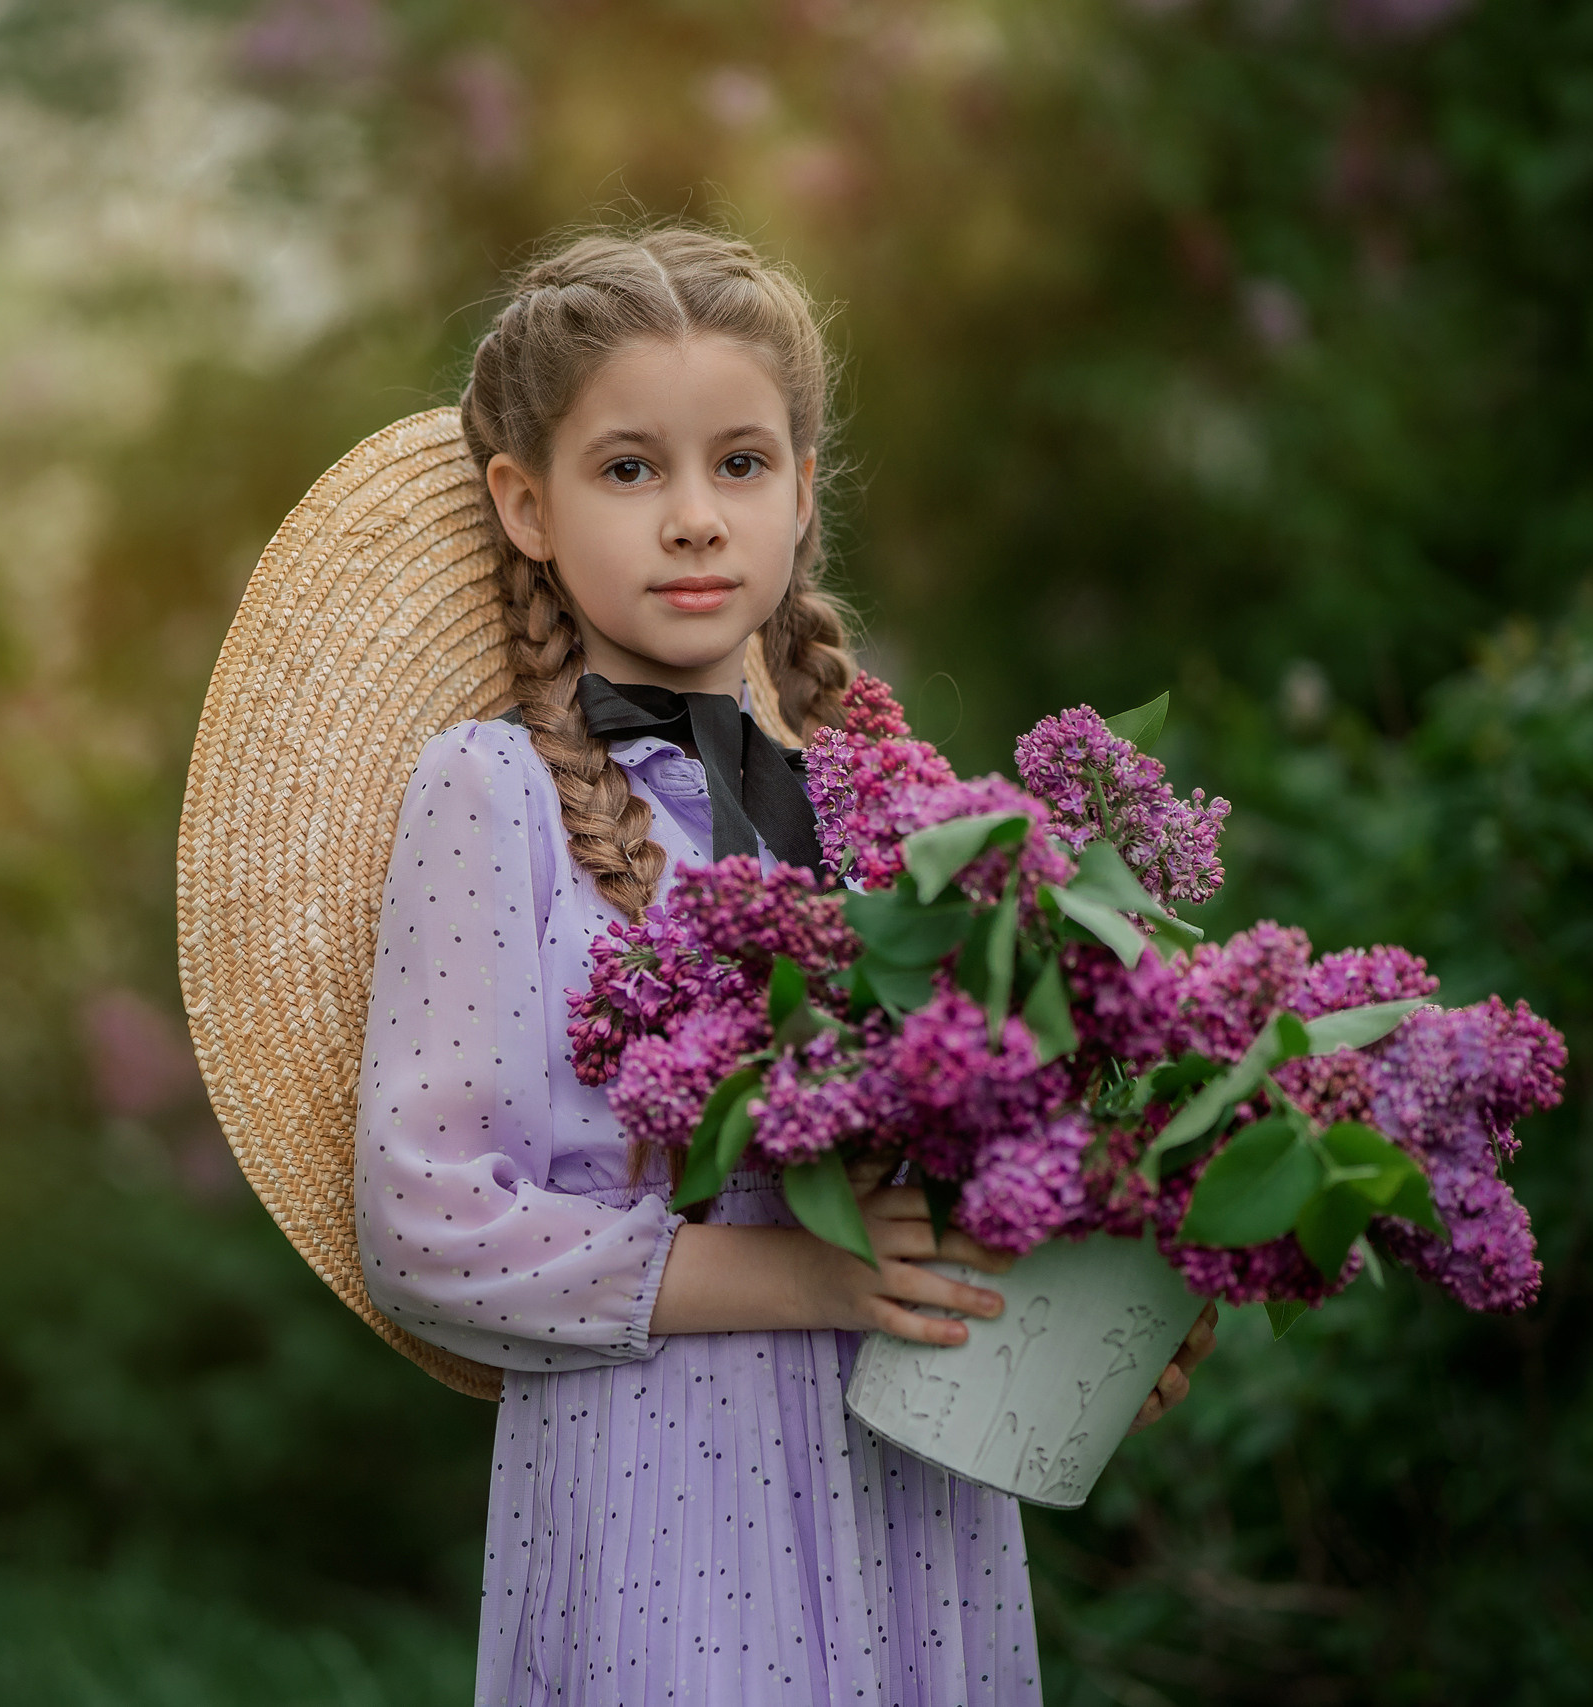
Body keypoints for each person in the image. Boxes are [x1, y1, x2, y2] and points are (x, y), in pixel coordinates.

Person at [352, 225, 1217, 1707]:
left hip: (912, 1499)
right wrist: (811, 1276)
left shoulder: (895, 818)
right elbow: (426, 1227)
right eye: (631, 469)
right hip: (662, 1497)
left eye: (740, 465)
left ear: (803, 493)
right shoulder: (494, 792)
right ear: (527, 503)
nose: (694, 517)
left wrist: (1080, 1291)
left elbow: (963, 1165)